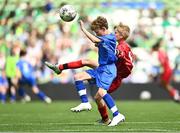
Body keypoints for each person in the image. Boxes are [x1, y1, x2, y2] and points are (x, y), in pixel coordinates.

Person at [46, 18, 133, 126]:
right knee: (83, 79)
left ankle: (117, 114)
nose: (113, 33)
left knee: (100, 93)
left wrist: (84, 29)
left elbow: (116, 52)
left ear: (121, 35)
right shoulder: (114, 41)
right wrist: (102, 45)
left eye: (116, 32)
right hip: (105, 67)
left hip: (112, 71)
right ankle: (101, 115)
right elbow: (109, 48)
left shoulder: (121, 45)